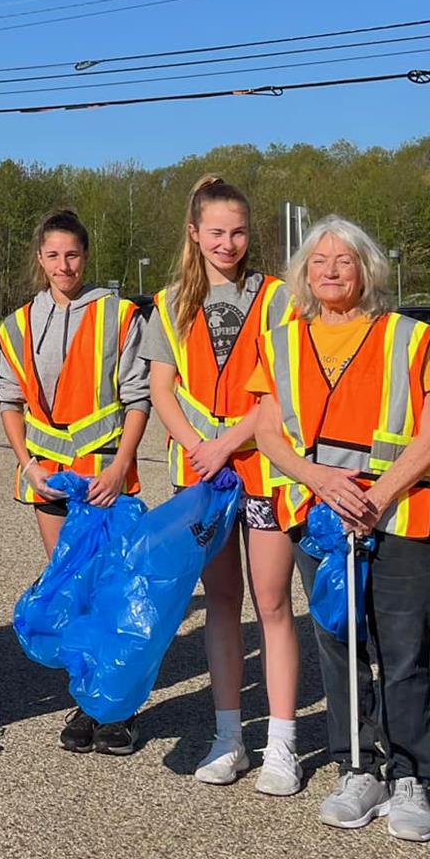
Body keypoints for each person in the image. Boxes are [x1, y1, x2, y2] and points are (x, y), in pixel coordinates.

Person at [249, 215, 430, 843]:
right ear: (303, 275)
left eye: (344, 260)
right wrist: (318, 480)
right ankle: (356, 766)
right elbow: (265, 431)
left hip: (401, 512)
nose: (331, 270)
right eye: (319, 261)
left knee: (401, 646)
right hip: (320, 516)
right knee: (337, 640)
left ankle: (410, 776)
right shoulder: (282, 340)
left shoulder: (410, 338)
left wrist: (380, 494)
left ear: (367, 269)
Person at [142, 175, 303, 793]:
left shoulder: (278, 299)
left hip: (263, 471)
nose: (228, 243)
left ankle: (282, 743)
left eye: (237, 231)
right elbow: (161, 389)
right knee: (224, 607)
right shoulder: (170, 302)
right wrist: (197, 448)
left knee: (272, 603)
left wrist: (227, 442)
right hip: (202, 481)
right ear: (195, 233)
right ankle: (229, 735)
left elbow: (284, 388)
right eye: (216, 232)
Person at [0, 209, 150, 756]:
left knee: (111, 592)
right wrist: (28, 465)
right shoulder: (17, 323)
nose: (64, 265)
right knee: (72, 591)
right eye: (54, 255)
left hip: (105, 476)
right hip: (51, 480)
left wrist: (118, 466)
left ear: (87, 257)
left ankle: (119, 710)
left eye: (73, 255)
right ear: (40, 259)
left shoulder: (120, 315)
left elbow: (138, 399)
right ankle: (86, 701)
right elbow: (9, 402)